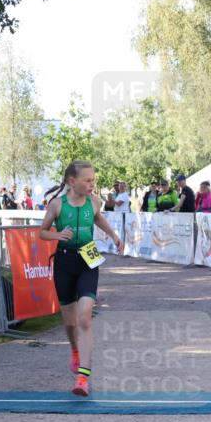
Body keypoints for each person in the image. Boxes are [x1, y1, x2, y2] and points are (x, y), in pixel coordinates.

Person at [40, 161, 124, 396]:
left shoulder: (94, 201)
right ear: (71, 182)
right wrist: (57, 234)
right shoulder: (57, 205)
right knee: (70, 322)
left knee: (85, 317)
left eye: (93, 180)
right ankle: (75, 350)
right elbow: (42, 232)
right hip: (65, 262)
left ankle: (83, 378)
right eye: (87, 180)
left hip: (88, 260)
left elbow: (98, 218)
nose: (91, 184)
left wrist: (114, 235)